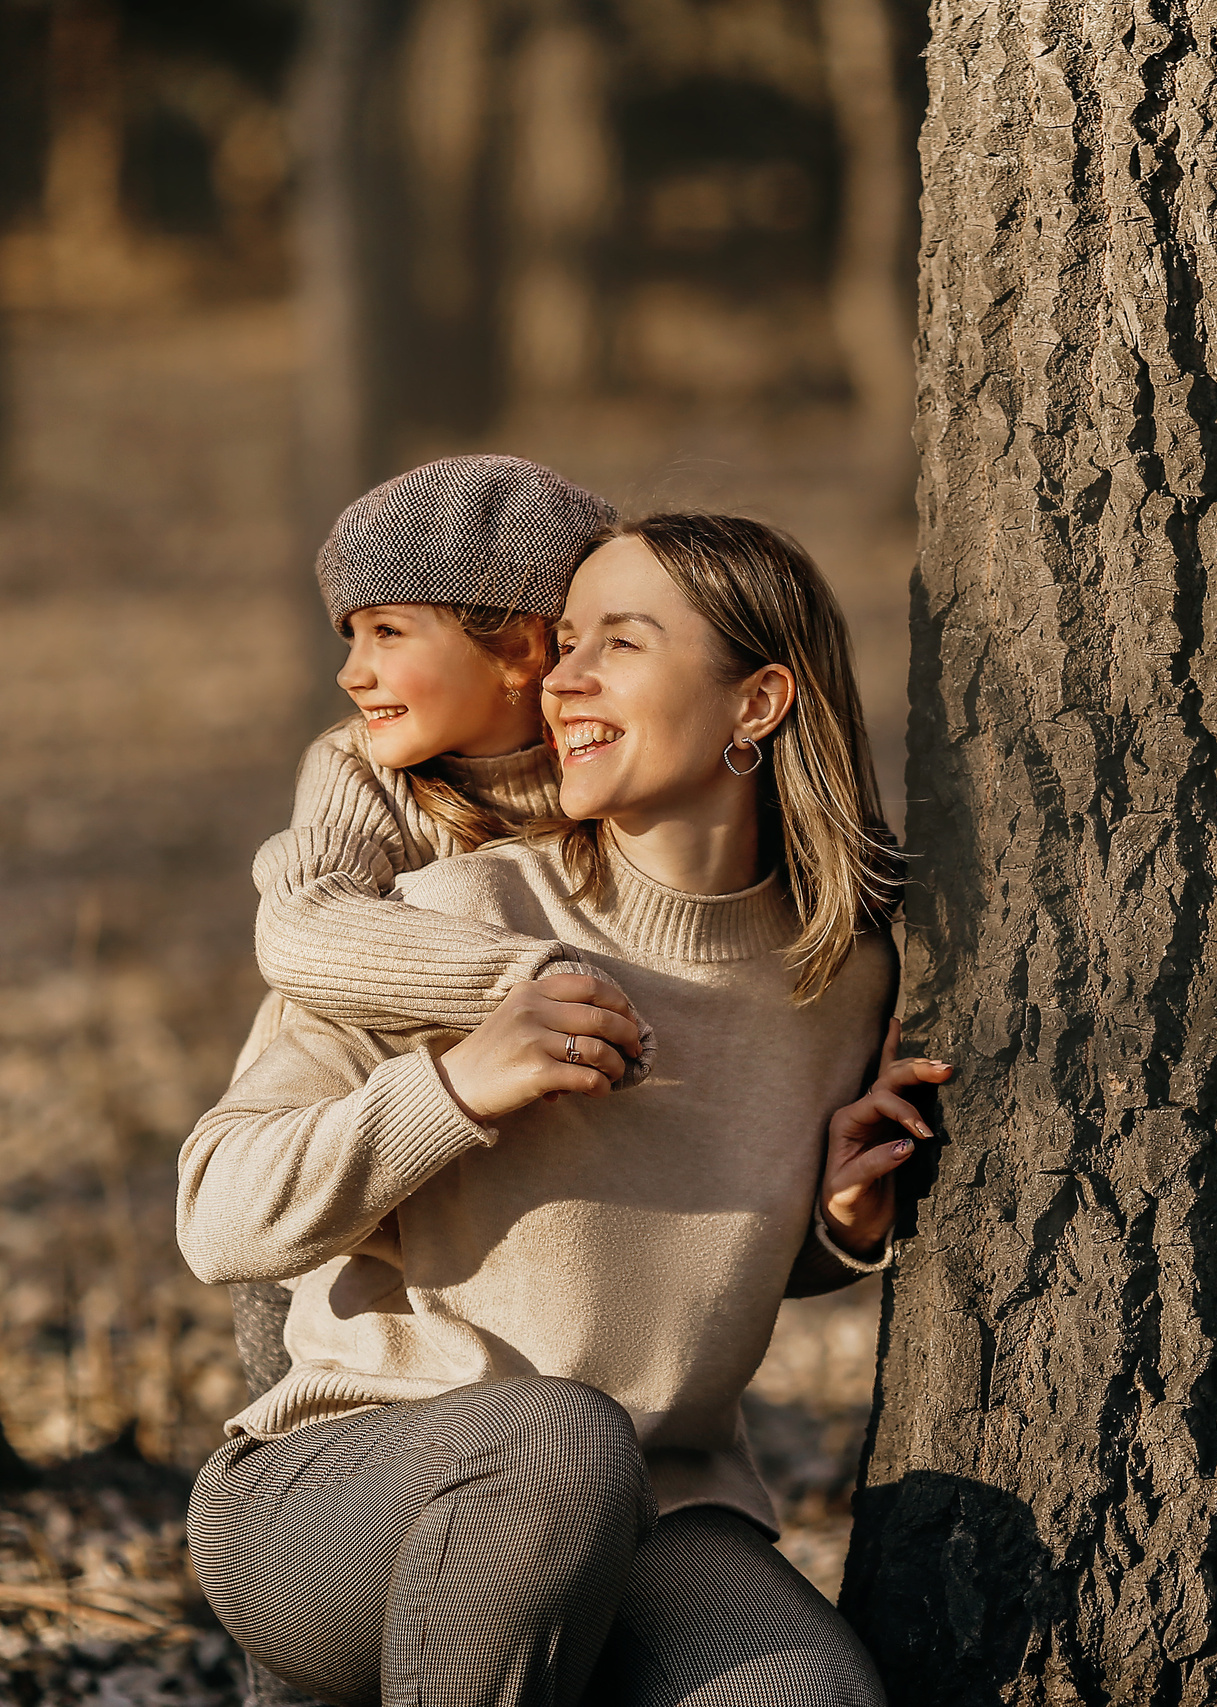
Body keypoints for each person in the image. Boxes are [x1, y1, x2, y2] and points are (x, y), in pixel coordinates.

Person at [180, 513, 955, 1706]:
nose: (563, 682)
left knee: (807, 1699)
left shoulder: (842, 977)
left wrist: (838, 1218)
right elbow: (217, 1216)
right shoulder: (432, 926)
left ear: (756, 705)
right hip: (338, 1500)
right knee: (556, 1444)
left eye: (620, 645)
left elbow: (663, 1252)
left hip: (659, 1509)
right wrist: (453, 1089)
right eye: (565, 642)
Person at [227, 454, 656, 1407]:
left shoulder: (618, 767)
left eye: (388, 630)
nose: (352, 669)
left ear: (518, 643)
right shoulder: (359, 773)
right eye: (349, 634)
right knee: (333, 1408)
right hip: (328, 1175)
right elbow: (301, 928)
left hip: (534, 1201)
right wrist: (533, 979)